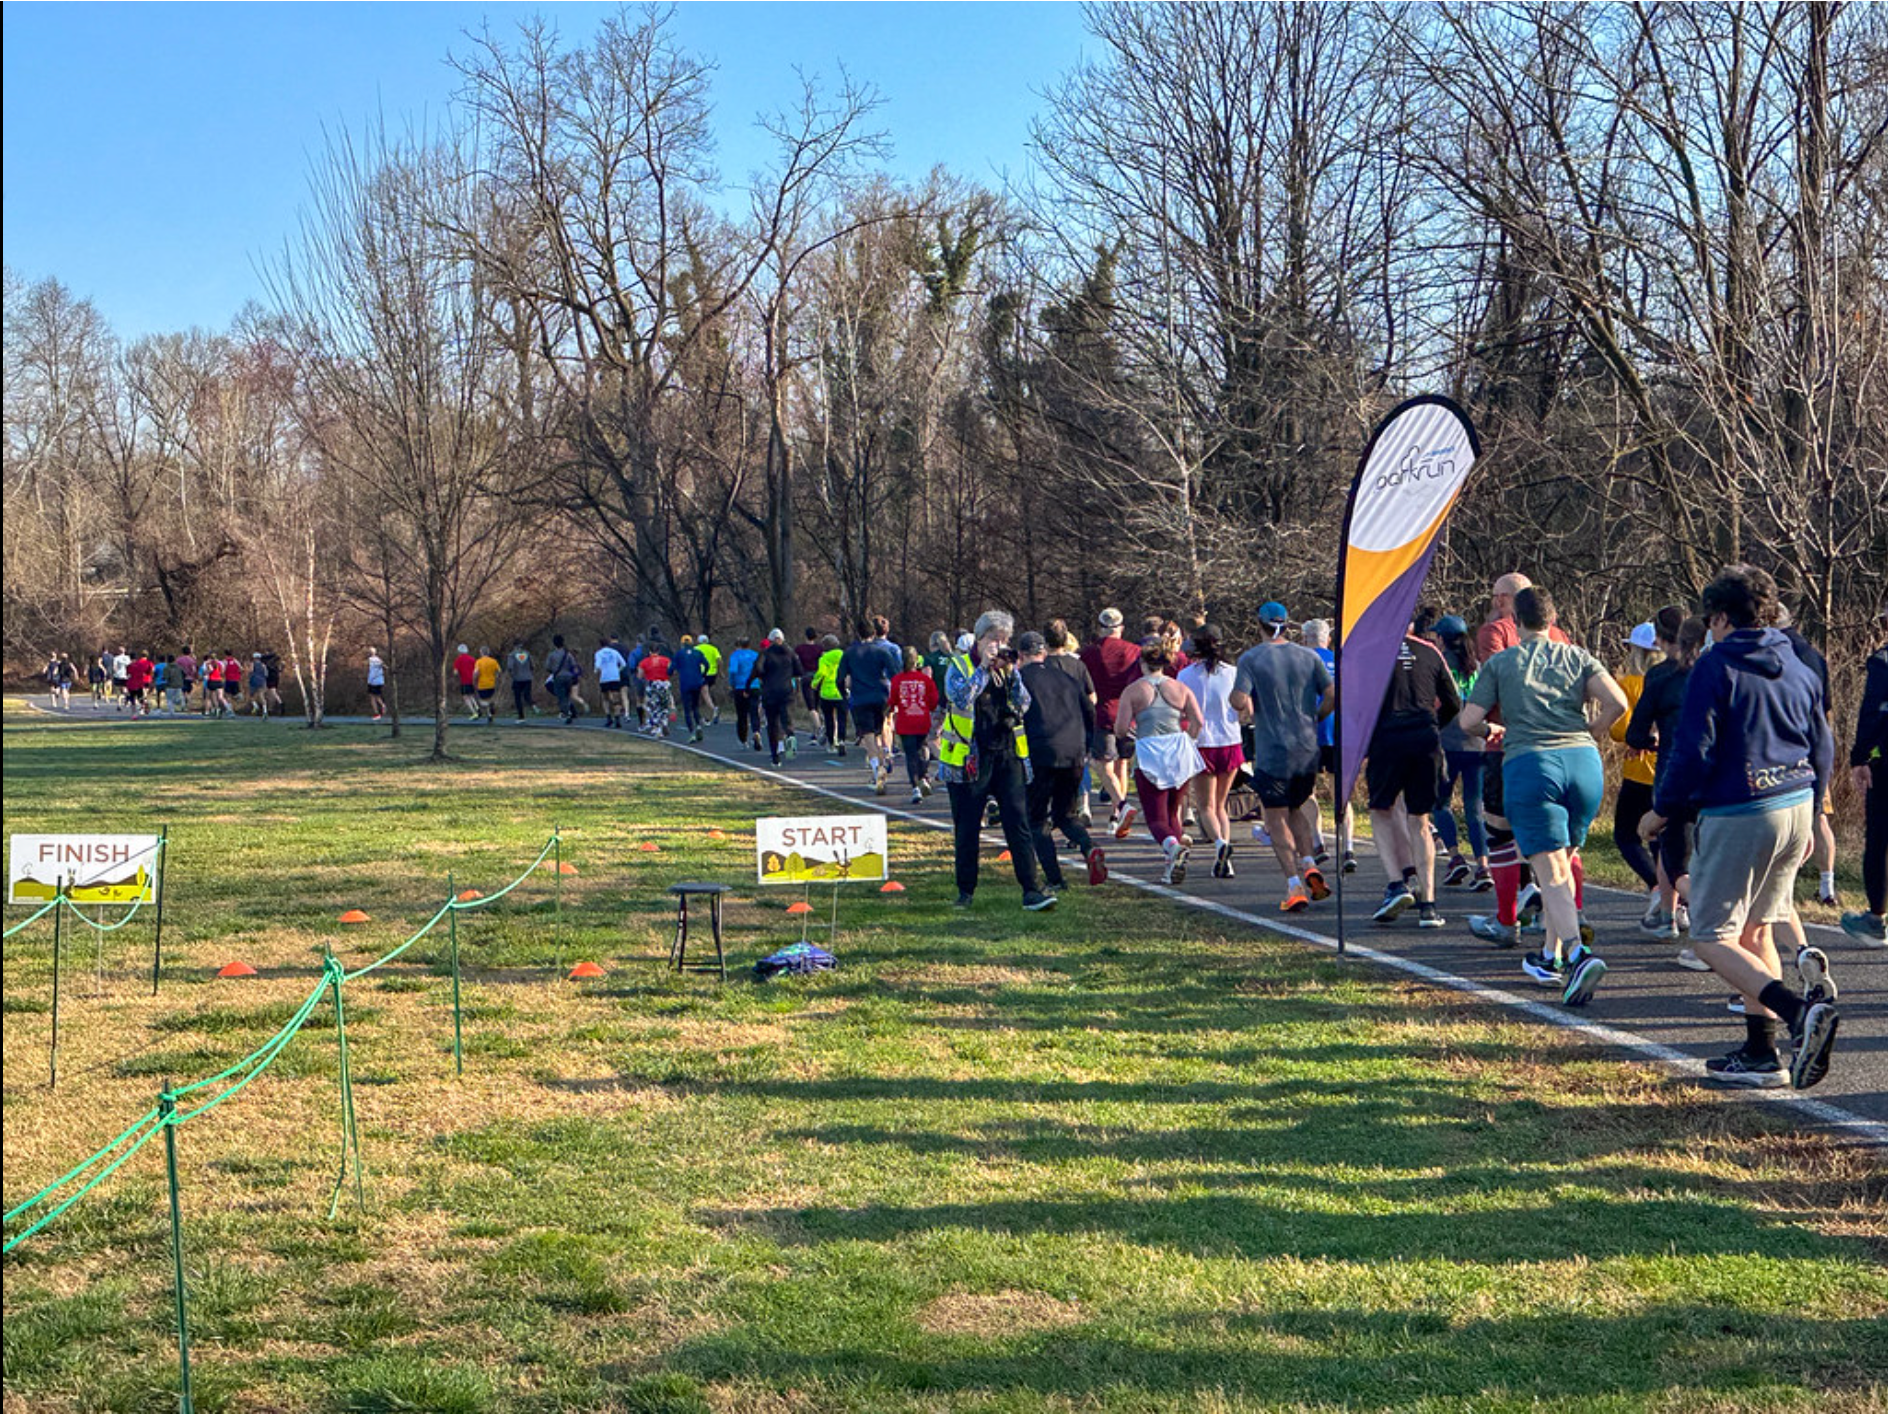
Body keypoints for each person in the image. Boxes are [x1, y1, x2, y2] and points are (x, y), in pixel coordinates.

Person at [1638, 565, 1838, 1089]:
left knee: (1709, 935)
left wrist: (1663, 809)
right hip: (1796, 801)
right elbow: (1824, 743)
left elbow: (1692, 751)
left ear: (1721, 617)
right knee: (1756, 928)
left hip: (1742, 807)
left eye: (1710, 620)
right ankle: (1760, 1053)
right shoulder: (1798, 659)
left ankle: (1797, 1014)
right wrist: (1815, 808)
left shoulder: (1715, 665)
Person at [1458, 587, 1626, 1007]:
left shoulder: (1502, 662)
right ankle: (1549, 958)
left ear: (1516, 620)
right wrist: (1592, 730)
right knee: (1562, 868)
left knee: (1548, 872)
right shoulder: (1578, 655)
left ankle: (1576, 953)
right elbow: (1618, 701)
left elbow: (1469, 719)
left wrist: (1490, 732)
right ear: (1553, 620)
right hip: (1584, 764)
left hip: (1533, 762)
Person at [1470, 572, 1573, 944]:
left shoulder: (1494, 631)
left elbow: (1495, 681)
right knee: (1560, 839)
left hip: (1508, 742)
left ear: (1503, 600)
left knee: (1499, 831)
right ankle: (1564, 921)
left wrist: (1484, 724)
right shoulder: (1560, 636)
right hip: (1566, 747)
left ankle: (1506, 920)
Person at [938, 611, 1056, 911]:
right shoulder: (959, 666)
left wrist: (1012, 671)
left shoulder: (1008, 670)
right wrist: (984, 670)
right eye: (994, 640)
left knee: (1018, 823)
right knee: (967, 828)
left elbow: (1024, 703)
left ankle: (1031, 889)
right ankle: (965, 891)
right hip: (970, 757)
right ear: (979, 640)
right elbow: (961, 698)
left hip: (1006, 754)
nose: (998, 646)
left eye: (1003, 640)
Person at [1231, 602, 1334, 913]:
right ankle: (1309, 863)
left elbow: (1238, 700)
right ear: (1288, 625)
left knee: (1275, 818)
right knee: (1296, 808)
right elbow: (1331, 694)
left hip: (1273, 750)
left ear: (1260, 625)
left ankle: (1293, 885)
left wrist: (1240, 700)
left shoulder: (1251, 658)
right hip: (1306, 748)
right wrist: (1316, 718)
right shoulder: (1309, 656)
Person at [1366, 622, 1462, 929]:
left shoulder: (1371, 651)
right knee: (1420, 819)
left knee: (1381, 810)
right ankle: (1429, 905)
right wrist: (1433, 724)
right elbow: (1454, 701)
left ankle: (1396, 884)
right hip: (1424, 736)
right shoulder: (1431, 650)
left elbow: (1357, 703)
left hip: (1388, 735)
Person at [1627, 612, 1706, 944]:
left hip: (1673, 772)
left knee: (1672, 855)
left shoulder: (1660, 675)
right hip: (1714, 775)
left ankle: (1681, 915)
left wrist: (1648, 742)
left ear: (1660, 639)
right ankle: (1670, 914)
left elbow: (1635, 731)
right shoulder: (1713, 671)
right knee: (1702, 849)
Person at [1117, 623, 1207, 886]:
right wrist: (1186, 740)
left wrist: (1135, 734)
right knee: (1173, 812)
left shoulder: (1134, 690)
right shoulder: (1179, 688)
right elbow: (1198, 721)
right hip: (1178, 751)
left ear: (1143, 662)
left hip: (1150, 752)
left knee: (1156, 817)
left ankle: (1172, 848)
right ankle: (1171, 865)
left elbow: (1121, 729)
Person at [1018, 631, 1104, 887]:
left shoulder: (1020, 680)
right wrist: (1086, 745)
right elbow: (1090, 711)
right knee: (1066, 815)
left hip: (1041, 753)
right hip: (1073, 752)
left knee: (1036, 819)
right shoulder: (1067, 678)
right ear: (1043, 652)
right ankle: (1089, 847)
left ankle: (1055, 879)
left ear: (1021, 655)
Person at [1428, 616, 1488, 892]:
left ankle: (1454, 856)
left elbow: (1434, 703)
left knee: (1439, 803)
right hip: (1477, 743)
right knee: (1475, 808)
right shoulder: (1477, 666)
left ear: (1442, 638)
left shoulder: (1440, 665)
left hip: (1448, 743)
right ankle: (1484, 866)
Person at [1177, 625, 1243, 879]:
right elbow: (1243, 706)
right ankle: (1225, 861)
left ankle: (1220, 845)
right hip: (1230, 740)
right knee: (1221, 805)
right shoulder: (1233, 673)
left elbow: (1183, 711)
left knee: (1205, 806)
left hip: (1202, 742)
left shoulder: (1185, 675)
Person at [1841, 603, 1888, 947]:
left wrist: (1859, 757)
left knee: (1880, 840)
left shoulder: (1883, 661)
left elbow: (1873, 712)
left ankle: (1876, 918)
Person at [1611, 621, 1665, 913]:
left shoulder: (1629, 684)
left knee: (1626, 834)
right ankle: (1671, 893)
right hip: (1668, 769)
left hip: (1638, 770)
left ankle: (1656, 884)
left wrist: (1635, 738)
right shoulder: (1674, 679)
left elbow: (1619, 729)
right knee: (1661, 835)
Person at [1080, 608, 1145, 838]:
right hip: (1128, 714)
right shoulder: (1134, 651)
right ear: (1121, 628)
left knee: (1102, 763)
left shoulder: (1089, 652)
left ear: (1100, 627)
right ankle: (1116, 815)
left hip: (1102, 713)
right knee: (1123, 763)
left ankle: (1121, 804)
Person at [1298, 619, 1356, 876]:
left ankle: (1318, 840)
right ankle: (1349, 848)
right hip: (1340, 731)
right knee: (1340, 791)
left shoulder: (1299, 659)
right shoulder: (1341, 660)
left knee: (1305, 790)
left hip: (1309, 731)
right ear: (1328, 639)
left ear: (1304, 639)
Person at [839, 617, 901, 792]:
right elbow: (895, 673)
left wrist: (844, 694)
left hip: (860, 698)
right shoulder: (881, 652)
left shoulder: (850, 653)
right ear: (873, 633)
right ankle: (883, 762)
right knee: (880, 734)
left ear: (858, 633)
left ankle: (876, 770)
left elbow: (840, 678)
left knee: (868, 737)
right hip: (881, 696)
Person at [891, 645, 941, 802]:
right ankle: (924, 776)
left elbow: (893, 700)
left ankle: (915, 788)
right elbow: (934, 701)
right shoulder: (925, 680)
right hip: (922, 720)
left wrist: (890, 711)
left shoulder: (897, 680)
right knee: (923, 748)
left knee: (911, 754)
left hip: (905, 722)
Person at [757, 629, 800, 764]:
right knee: (786, 717)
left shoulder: (766, 654)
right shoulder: (790, 653)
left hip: (770, 692)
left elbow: (759, 669)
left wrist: (764, 678)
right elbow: (799, 670)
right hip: (787, 690)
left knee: (772, 724)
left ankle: (775, 755)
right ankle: (790, 734)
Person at [811, 634, 846, 754]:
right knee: (842, 718)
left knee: (829, 719)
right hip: (841, 691)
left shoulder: (824, 659)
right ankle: (842, 740)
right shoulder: (843, 655)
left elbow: (821, 673)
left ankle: (831, 743)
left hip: (827, 692)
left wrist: (814, 684)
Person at [726, 636, 762, 751]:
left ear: (739, 645)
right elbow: (760, 669)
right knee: (754, 712)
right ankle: (756, 731)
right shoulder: (755, 655)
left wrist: (732, 682)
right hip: (754, 686)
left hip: (740, 687)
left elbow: (733, 670)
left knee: (741, 714)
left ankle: (743, 739)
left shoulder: (735, 655)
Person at [674, 635, 709, 741]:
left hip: (685, 683)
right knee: (695, 706)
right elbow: (706, 664)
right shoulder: (697, 653)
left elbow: (671, 668)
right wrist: (703, 674)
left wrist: (672, 672)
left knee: (687, 709)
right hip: (696, 682)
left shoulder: (679, 654)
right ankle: (698, 725)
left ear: (682, 644)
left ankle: (692, 731)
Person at [638, 638, 673, 736]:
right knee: (664, 705)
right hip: (665, 683)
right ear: (659, 651)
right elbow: (671, 672)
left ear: (649, 651)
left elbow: (640, 675)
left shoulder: (644, 662)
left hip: (652, 684)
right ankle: (664, 722)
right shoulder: (666, 660)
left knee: (653, 707)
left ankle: (656, 728)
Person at [796, 628, 825, 742]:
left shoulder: (800, 649)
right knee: (817, 704)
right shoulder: (820, 649)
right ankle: (814, 734)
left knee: (811, 707)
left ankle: (818, 728)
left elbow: (796, 662)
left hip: (806, 677)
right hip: (818, 678)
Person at [543, 635, 580, 723]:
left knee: (561, 696)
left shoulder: (552, 655)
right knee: (567, 695)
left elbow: (547, 667)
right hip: (569, 677)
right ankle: (570, 711)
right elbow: (574, 665)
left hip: (558, 677)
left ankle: (567, 714)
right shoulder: (568, 654)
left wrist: (553, 670)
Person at [594, 637, 629, 728]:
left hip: (604, 677)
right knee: (616, 698)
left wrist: (597, 670)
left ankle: (609, 717)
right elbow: (623, 664)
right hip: (615, 676)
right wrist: (618, 670)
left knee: (605, 698)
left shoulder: (599, 653)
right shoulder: (614, 652)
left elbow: (597, 665)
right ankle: (617, 718)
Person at [696, 632, 722, 726]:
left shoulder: (696, 649)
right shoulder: (713, 648)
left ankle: (713, 709)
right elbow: (719, 660)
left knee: (704, 693)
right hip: (712, 674)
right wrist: (720, 671)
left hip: (702, 673)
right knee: (705, 693)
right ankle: (706, 715)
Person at [473, 646, 502, 724]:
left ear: (481, 653)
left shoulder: (478, 662)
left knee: (482, 702)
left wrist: (474, 681)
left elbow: (476, 673)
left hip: (482, 684)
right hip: (491, 684)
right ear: (488, 653)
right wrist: (496, 678)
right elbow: (499, 671)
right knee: (489, 698)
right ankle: (490, 716)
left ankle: (490, 706)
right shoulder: (494, 661)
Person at [507, 643, 535, 720]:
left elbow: (510, 666)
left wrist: (512, 674)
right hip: (528, 678)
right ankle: (532, 704)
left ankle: (521, 716)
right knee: (527, 695)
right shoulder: (527, 654)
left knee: (518, 697)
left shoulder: (511, 655)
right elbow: (533, 665)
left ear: (514, 647)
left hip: (517, 678)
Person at [125, 649, 153, 718]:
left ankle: (134, 715)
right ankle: (145, 705)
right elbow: (148, 671)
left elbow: (128, 675)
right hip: (139, 683)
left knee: (132, 700)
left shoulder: (129, 666)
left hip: (131, 684)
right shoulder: (140, 664)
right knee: (140, 698)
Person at [366, 647, 388, 720]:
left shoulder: (370, 660)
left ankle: (376, 713)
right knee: (377, 696)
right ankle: (382, 705)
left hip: (373, 681)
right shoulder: (379, 660)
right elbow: (385, 667)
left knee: (372, 697)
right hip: (379, 680)